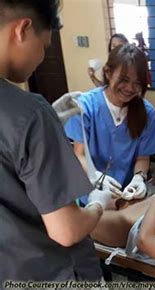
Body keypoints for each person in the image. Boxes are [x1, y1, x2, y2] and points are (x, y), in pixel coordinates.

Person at [0, 0, 116, 281]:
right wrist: (98, 204)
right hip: (49, 274)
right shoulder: (30, 113)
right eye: (44, 46)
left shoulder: (28, 116)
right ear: (23, 30)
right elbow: (67, 231)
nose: (41, 57)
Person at [65, 44, 155, 204]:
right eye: (124, 80)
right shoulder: (85, 107)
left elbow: (142, 157)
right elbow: (79, 154)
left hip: (126, 195)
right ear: (108, 73)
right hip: (92, 194)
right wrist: (95, 177)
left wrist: (139, 178)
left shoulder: (147, 113)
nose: (130, 88)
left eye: (137, 82)